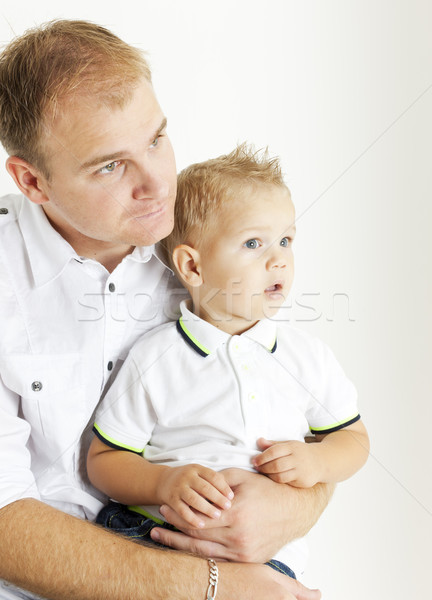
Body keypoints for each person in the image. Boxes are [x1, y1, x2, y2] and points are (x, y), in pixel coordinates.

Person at [0, 19, 328, 600]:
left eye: (156, 139)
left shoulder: (205, 246)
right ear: (32, 181)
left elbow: (294, 407)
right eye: (110, 165)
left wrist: (297, 506)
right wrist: (211, 585)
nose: (157, 184)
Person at [87, 145, 370, 581]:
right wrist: (162, 483)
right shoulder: (157, 356)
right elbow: (104, 460)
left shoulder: (307, 357)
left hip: (263, 556)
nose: (279, 259)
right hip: (150, 533)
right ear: (192, 266)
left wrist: (316, 464)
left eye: (286, 240)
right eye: (254, 243)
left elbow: (354, 441)